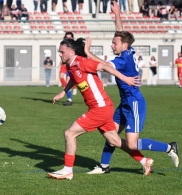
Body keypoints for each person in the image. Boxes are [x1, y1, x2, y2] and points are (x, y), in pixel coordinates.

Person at [84, 1, 179, 176]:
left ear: (123, 46)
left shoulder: (122, 60)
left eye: (114, 43)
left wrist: (87, 52)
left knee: (132, 144)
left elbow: (103, 65)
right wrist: (117, 14)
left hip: (134, 102)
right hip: (125, 102)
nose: (112, 45)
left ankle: (168, 147)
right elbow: (122, 34)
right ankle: (104, 166)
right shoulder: (129, 51)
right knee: (110, 134)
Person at [48, 38, 140, 180]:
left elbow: (104, 67)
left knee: (69, 134)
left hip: (100, 108)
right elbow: (74, 78)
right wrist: (63, 92)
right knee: (114, 141)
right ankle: (144, 160)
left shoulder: (82, 62)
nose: (60, 54)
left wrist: (126, 79)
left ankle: (67, 170)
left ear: (72, 52)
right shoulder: (70, 65)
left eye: (62, 52)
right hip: (102, 107)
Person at [59, 32, 76, 106]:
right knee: (61, 76)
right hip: (65, 63)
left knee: (69, 80)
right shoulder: (63, 44)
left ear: (72, 38)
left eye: (70, 37)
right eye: (67, 37)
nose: (68, 39)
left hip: (71, 64)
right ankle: (66, 89)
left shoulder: (74, 46)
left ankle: (69, 98)